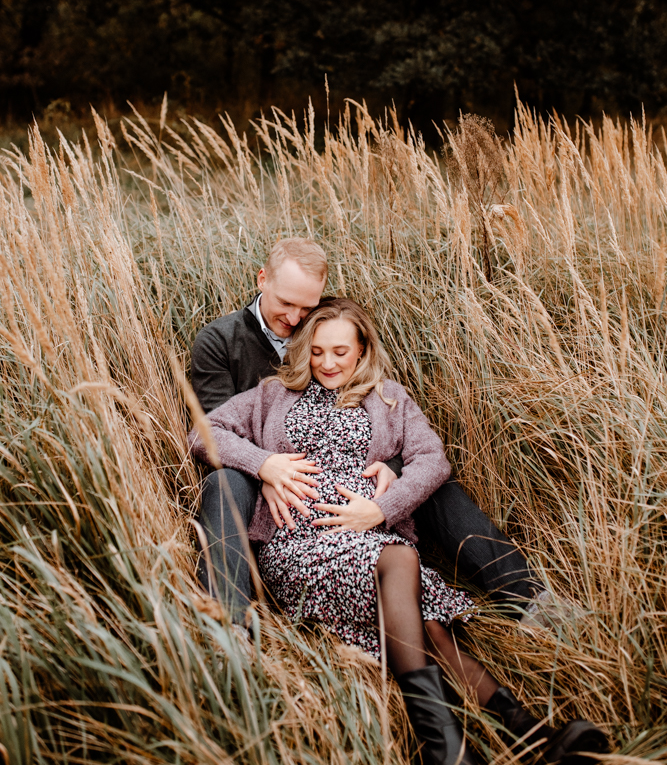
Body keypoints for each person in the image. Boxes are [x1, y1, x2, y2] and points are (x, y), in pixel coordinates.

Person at [188, 298, 608, 765]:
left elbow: (434, 461)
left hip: (365, 534)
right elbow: (204, 435)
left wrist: (382, 508)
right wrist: (265, 463)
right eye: (317, 351)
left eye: (340, 351)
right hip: (299, 545)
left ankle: (531, 739)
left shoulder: (390, 398)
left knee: (430, 626)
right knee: (399, 560)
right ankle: (451, 759)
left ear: (362, 348)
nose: (327, 363)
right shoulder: (274, 393)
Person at [190, 237, 551, 628]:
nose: (295, 320)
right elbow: (213, 435)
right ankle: (230, 622)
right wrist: (265, 468)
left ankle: (529, 600)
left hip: (354, 481)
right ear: (262, 280)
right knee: (225, 481)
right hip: (265, 484)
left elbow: (418, 450)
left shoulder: (331, 335)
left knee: (435, 486)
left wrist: (392, 468)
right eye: (286, 304)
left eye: (307, 309)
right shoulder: (221, 342)